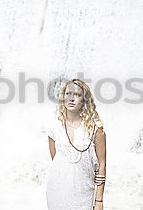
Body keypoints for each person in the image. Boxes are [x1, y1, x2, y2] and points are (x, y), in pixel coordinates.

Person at [45, 78, 107, 210]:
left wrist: (99, 200)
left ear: (84, 100)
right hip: (57, 191)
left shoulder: (96, 128)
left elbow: (101, 164)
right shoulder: (53, 126)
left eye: (77, 95)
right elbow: (55, 158)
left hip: (84, 193)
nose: (72, 98)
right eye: (68, 94)